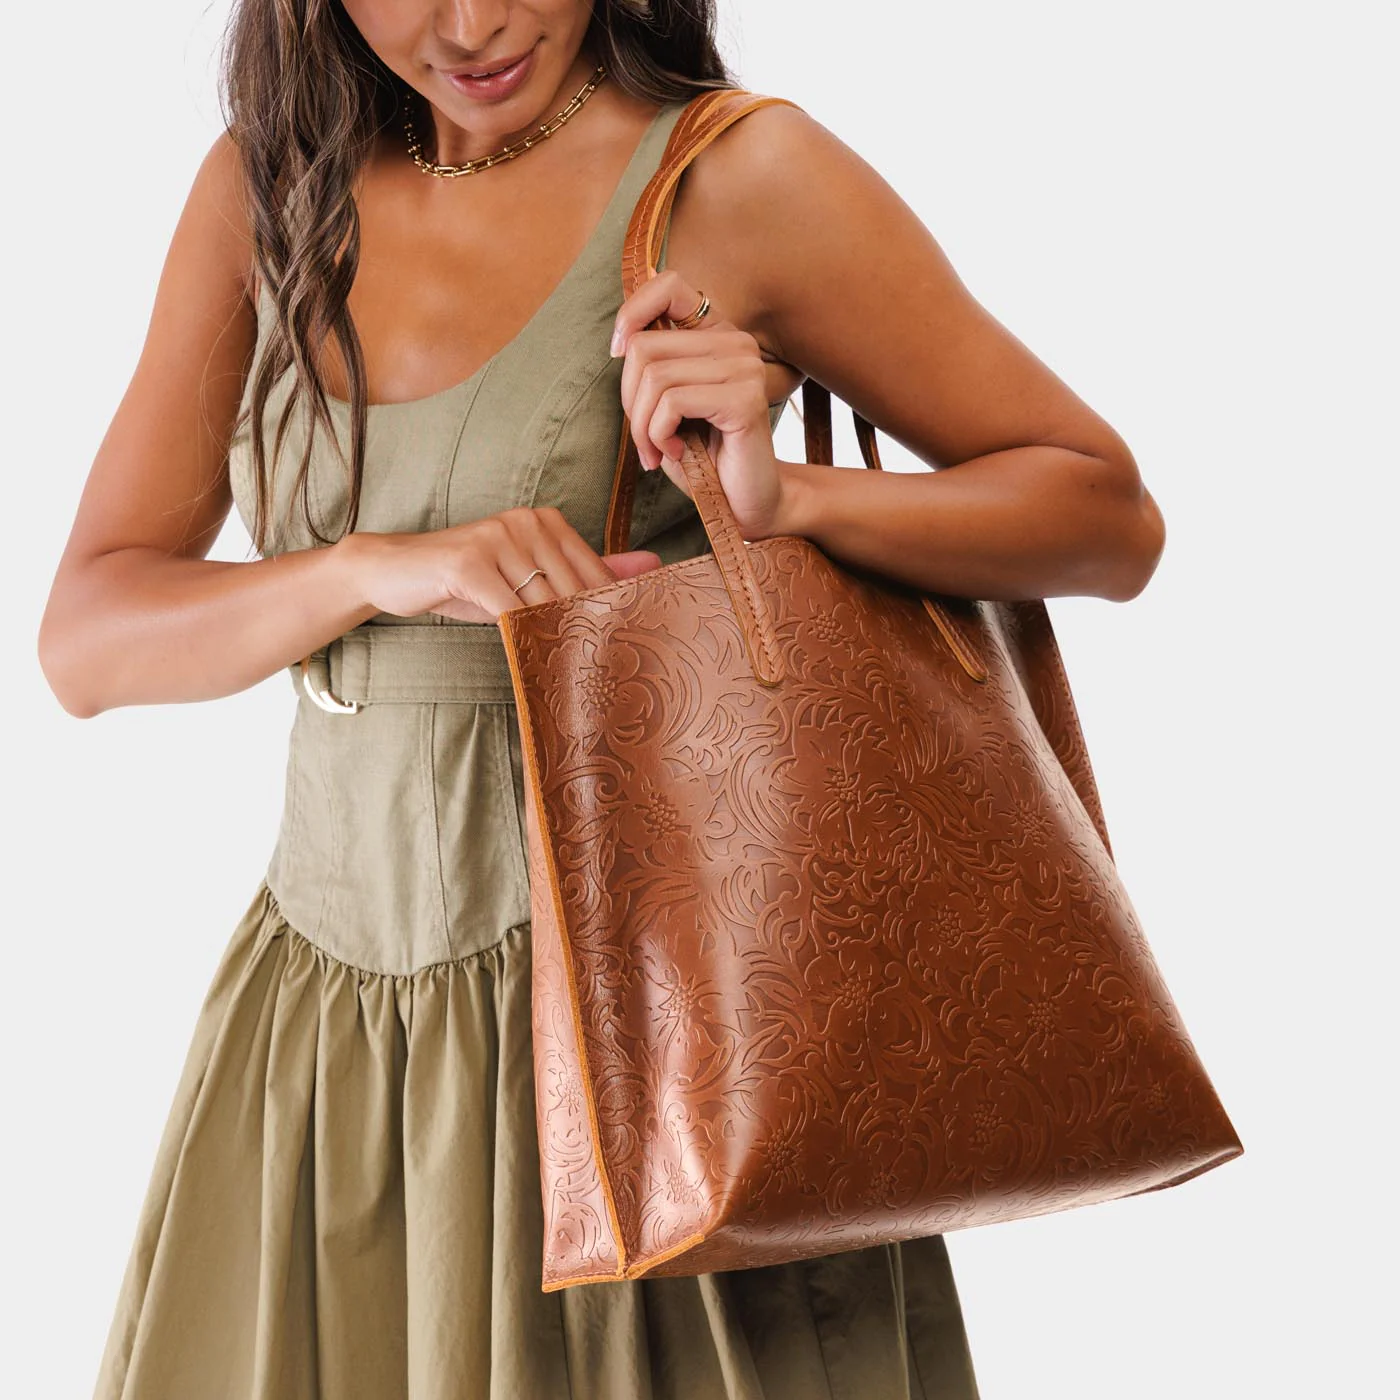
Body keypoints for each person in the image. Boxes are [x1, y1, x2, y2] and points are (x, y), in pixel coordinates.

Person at [39, 2, 1165, 1397]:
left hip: (661, 1044)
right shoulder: (272, 189)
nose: (473, 25)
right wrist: (370, 569)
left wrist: (787, 499)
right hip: (328, 1037)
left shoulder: (737, 178)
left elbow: (1107, 519)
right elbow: (86, 639)